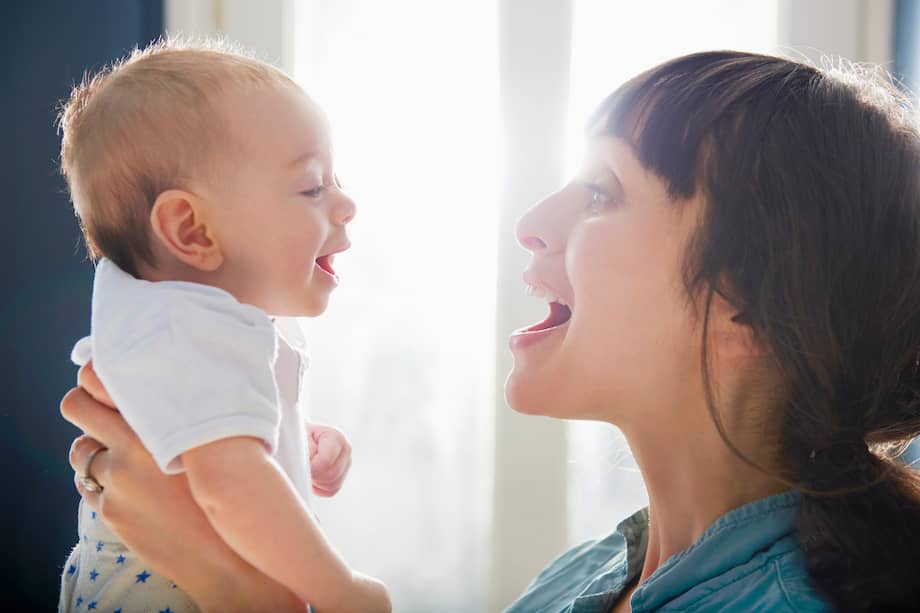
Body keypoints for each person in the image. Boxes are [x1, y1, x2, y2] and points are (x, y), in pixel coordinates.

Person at [61, 50, 920, 611]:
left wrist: (232, 582)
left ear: (757, 305)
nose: (533, 222)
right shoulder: (577, 582)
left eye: (600, 195)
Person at [56, 40, 390, 613]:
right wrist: (342, 591)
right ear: (192, 231)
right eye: (312, 187)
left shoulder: (175, 328)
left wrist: (286, 444)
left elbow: (216, 463)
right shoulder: (187, 329)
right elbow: (226, 486)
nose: (346, 204)